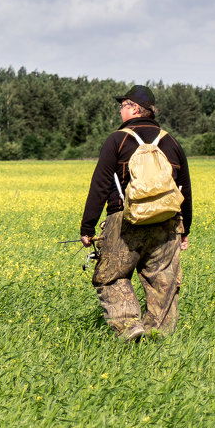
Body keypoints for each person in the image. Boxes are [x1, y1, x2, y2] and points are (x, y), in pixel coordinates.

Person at [79, 85, 192, 341]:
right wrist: (185, 229)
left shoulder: (117, 140)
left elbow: (100, 185)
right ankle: (160, 336)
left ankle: (130, 325)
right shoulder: (171, 142)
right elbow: (184, 188)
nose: (120, 111)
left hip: (125, 219)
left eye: (122, 106)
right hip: (168, 222)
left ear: (134, 108)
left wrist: (88, 228)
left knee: (110, 277)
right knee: (163, 281)